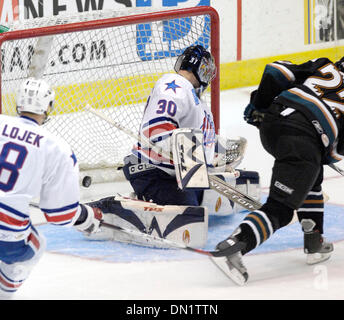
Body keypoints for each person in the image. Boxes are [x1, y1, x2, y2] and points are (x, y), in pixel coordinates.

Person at [210, 56, 344, 286]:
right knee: (280, 208)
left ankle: (313, 239)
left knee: (310, 174)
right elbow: (338, 148)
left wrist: (258, 106)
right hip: (303, 138)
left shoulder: (325, 65)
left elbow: (276, 71)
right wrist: (327, 150)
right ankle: (237, 244)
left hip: (273, 123)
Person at [0, 78, 104, 296]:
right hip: (6, 235)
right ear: (48, 107)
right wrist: (85, 217)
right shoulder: (57, 148)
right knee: (35, 246)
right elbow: (60, 215)